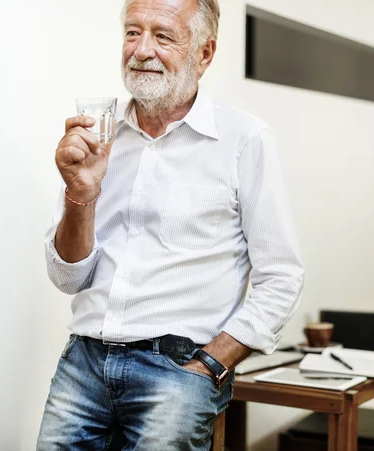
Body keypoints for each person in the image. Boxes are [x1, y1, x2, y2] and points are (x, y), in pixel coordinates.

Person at [36, 0, 305, 449]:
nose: (141, 50)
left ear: (204, 53)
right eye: (132, 32)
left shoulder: (244, 140)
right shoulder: (97, 137)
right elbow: (68, 278)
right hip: (83, 361)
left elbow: (282, 276)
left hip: (178, 371)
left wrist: (210, 366)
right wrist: (80, 193)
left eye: (162, 36)